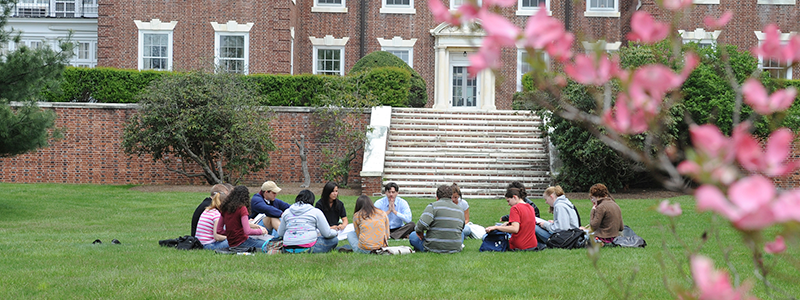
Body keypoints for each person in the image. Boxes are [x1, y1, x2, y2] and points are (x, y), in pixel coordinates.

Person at [409, 185, 465, 253]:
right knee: (462, 234)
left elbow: (422, 224)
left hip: (432, 247)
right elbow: (461, 228)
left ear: (437, 197)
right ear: (451, 196)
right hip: (455, 248)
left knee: (413, 236)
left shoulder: (432, 207)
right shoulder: (460, 210)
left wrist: (419, 231)